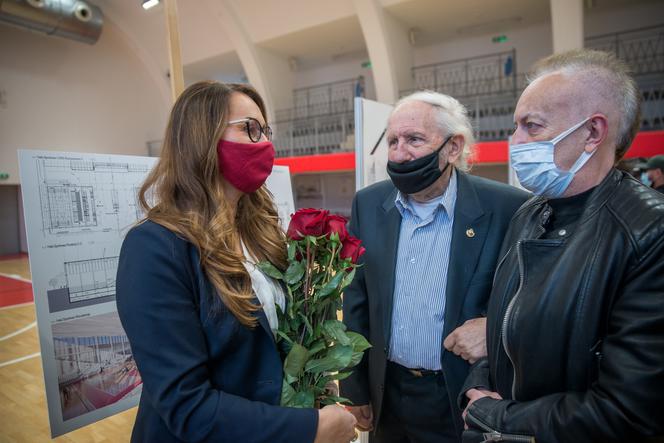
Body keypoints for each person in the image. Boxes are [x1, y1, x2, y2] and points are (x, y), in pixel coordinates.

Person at [116, 81, 357, 443]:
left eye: (266, 131)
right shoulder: (154, 247)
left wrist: (316, 381)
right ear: (203, 136)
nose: (266, 145)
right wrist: (311, 429)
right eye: (251, 129)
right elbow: (187, 406)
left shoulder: (262, 234)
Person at [460, 49, 664, 443]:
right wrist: (478, 383)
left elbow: (630, 412)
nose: (514, 141)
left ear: (592, 133)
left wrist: (496, 415)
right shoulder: (529, 213)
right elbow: (502, 322)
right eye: (515, 127)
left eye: (531, 127)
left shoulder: (647, 233)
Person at [340, 91, 529, 442]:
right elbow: (357, 300)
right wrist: (355, 389)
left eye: (414, 139)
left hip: (463, 396)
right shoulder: (368, 204)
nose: (399, 153)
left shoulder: (508, 208)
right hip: (388, 392)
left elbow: (534, 298)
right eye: (393, 140)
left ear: (453, 147)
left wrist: (493, 329)